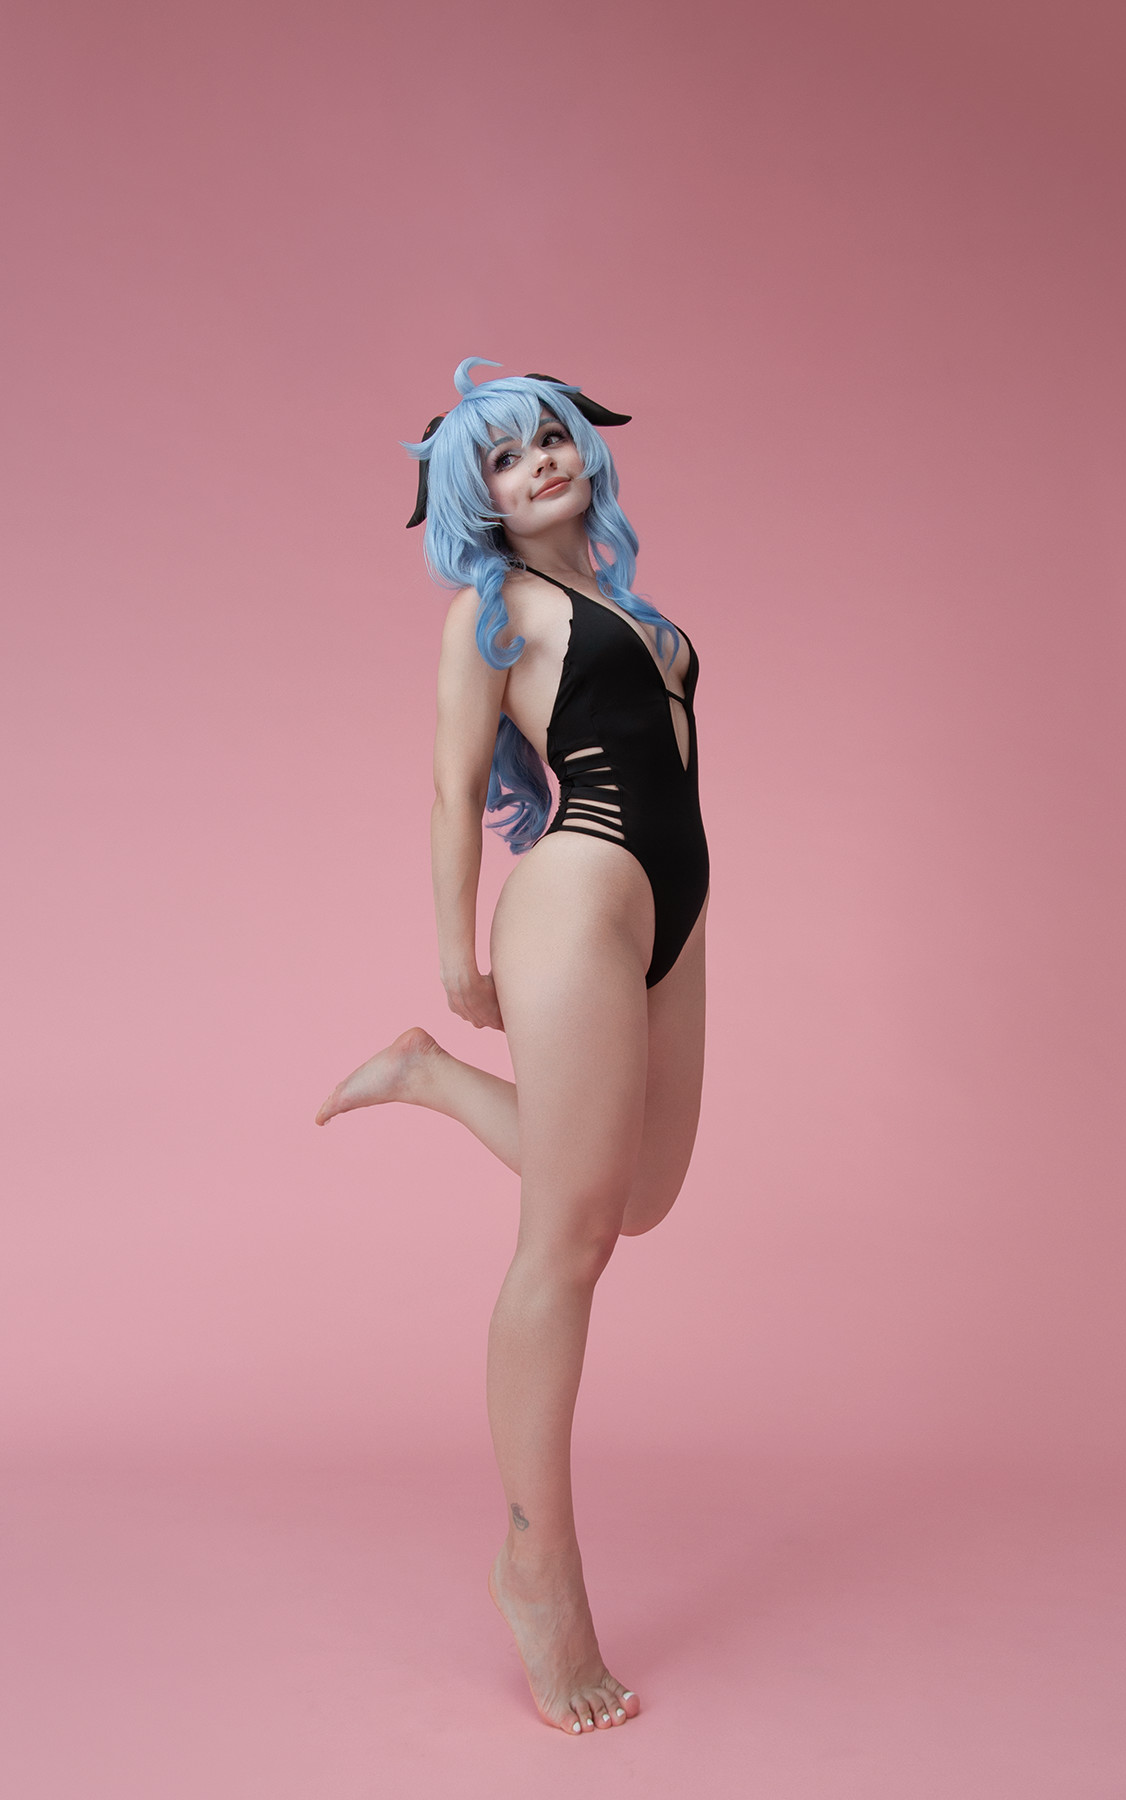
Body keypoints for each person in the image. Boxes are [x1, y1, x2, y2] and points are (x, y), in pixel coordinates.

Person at [316, 360, 710, 1736]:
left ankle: (427, 1077)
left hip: (675, 904)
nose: (540, 460)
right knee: (568, 1244)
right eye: (502, 455)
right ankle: (538, 1564)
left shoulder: (627, 602)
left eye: (552, 436)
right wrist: (455, 954)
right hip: (577, 893)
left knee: (639, 1198)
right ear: (467, 495)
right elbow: (449, 784)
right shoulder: (493, 613)